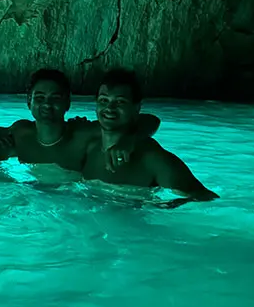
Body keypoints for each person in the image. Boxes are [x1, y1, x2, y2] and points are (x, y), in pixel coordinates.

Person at [82, 69, 218, 206]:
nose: (109, 108)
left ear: (137, 108)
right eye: (103, 100)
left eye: (120, 102)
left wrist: (164, 207)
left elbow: (206, 200)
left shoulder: (153, 160)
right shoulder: (88, 148)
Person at [6, 68, 161, 172]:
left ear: (67, 102)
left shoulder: (83, 134)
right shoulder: (20, 133)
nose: (47, 104)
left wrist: (127, 141)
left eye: (55, 98)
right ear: (28, 101)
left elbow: (150, 121)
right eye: (40, 98)